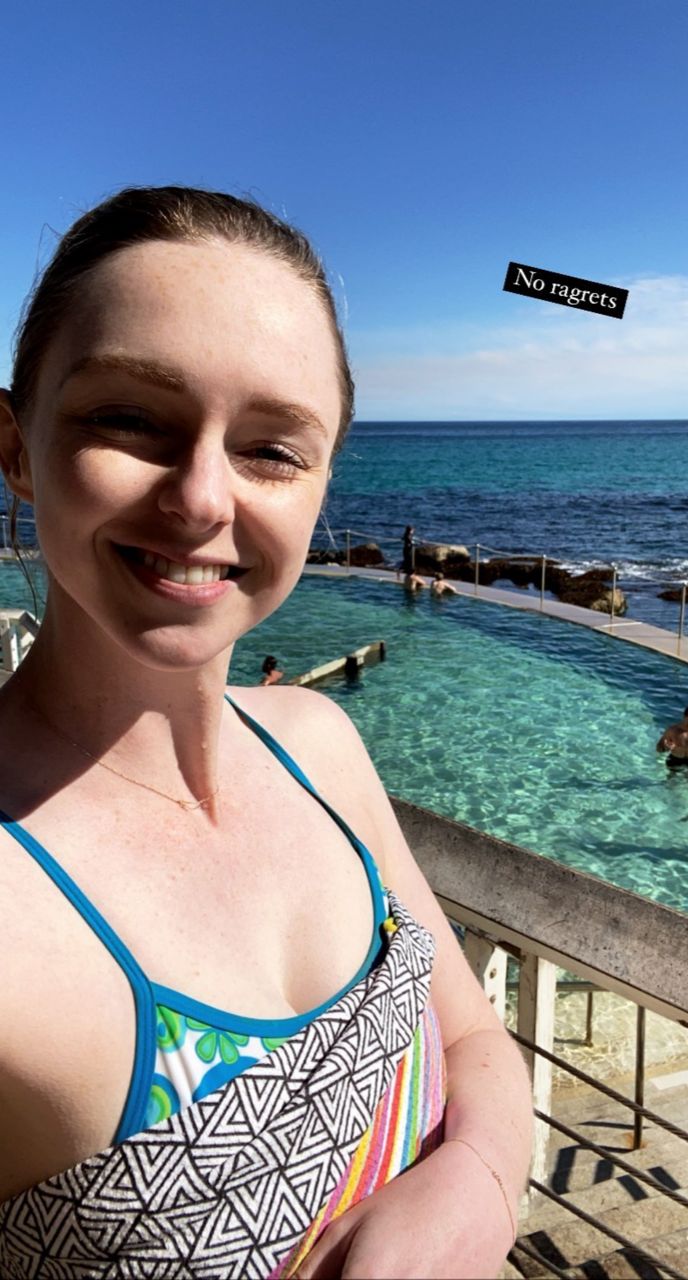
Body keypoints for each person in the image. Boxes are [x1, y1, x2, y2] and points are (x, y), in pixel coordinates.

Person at [0, 186, 532, 1279]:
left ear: (323, 481)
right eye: (129, 418)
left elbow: (474, 1035)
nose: (202, 497)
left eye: (273, 450)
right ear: (14, 447)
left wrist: (476, 1183)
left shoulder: (318, 744)